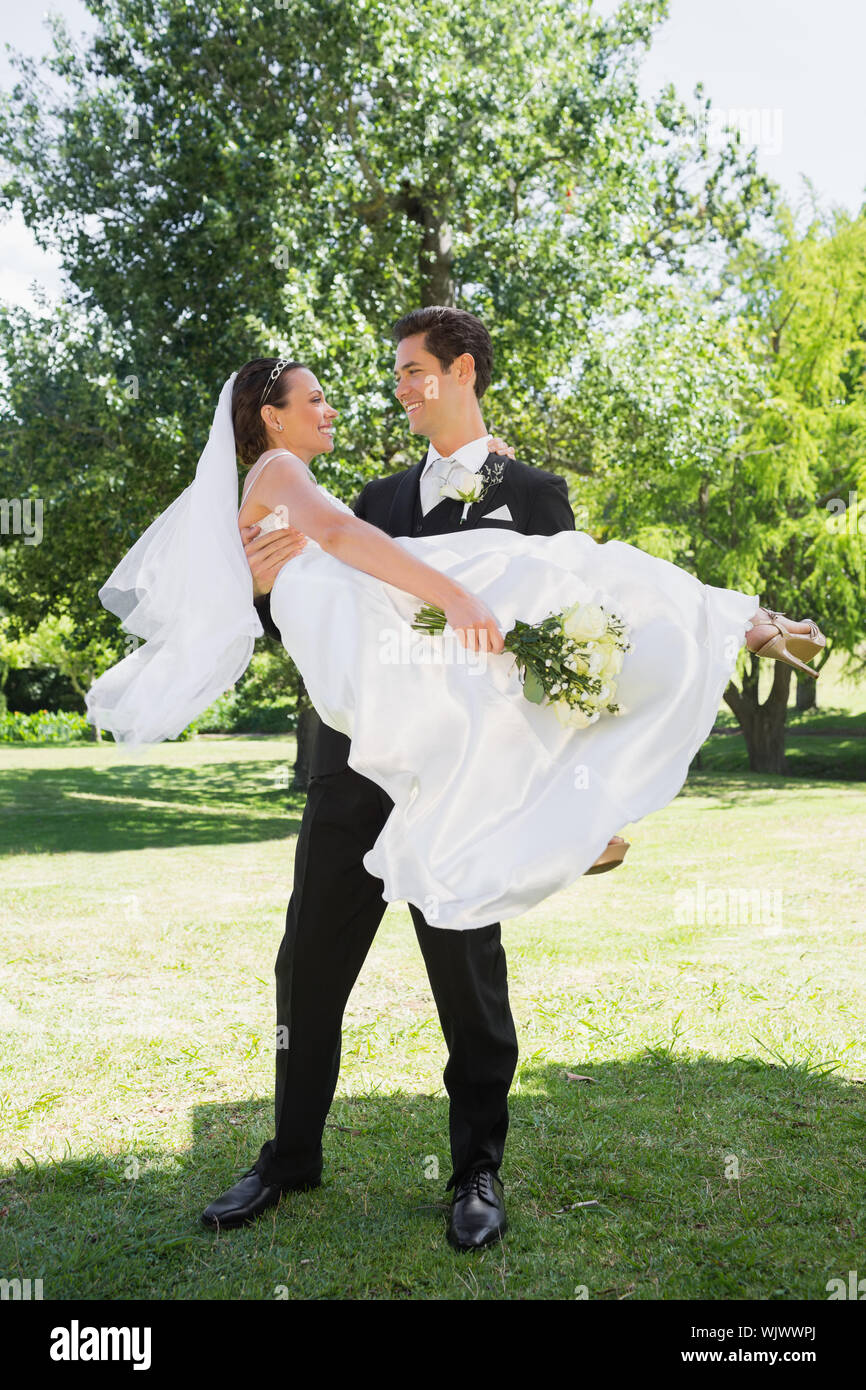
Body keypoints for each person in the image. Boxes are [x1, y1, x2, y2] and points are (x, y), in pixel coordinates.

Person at [86, 308, 825, 1252]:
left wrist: (569, 790)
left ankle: (476, 1168)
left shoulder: (536, 492)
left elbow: (587, 629)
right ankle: (288, 1158)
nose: (393, 388)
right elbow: (323, 617)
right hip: (354, 766)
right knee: (308, 968)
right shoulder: (367, 493)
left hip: (470, 777)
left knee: (466, 974)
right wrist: (261, 590)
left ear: (460, 371)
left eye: (410, 370)